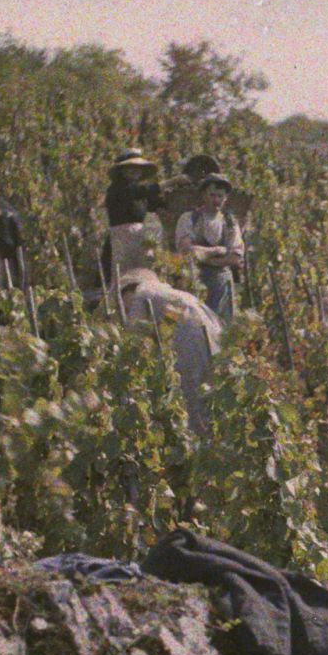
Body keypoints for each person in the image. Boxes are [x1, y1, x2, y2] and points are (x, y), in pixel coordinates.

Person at [116, 265, 223, 439]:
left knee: (189, 392)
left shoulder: (141, 295)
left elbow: (132, 340)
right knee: (209, 389)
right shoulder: (171, 293)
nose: (124, 308)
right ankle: (213, 436)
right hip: (209, 331)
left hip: (187, 338)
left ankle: (198, 441)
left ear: (130, 289)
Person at [173, 173, 246, 323]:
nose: (216, 200)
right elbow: (187, 251)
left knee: (222, 326)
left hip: (221, 284)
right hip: (193, 279)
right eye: (212, 195)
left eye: (221, 196)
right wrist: (217, 251)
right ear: (203, 195)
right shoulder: (189, 219)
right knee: (194, 324)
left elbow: (235, 257)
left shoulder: (230, 222)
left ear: (226, 198)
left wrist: (204, 257)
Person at [100, 149, 165, 289]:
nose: (135, 171)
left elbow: (155, 204)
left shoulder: (139, 193)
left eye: (138, 168)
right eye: (131, 168)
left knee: (141, 273)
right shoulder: (118, 188)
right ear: (122, 170)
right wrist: (171, 182)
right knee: (124, 277)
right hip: (122, 237)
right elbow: (142, 191)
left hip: (138, 235)